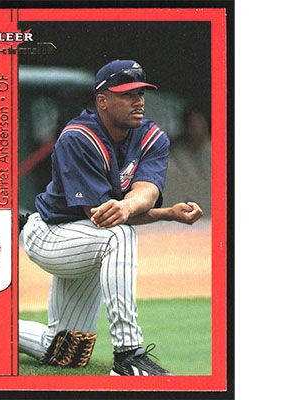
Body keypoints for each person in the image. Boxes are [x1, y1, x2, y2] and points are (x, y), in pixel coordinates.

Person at [18, 60, 203, 376]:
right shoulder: (78, 137)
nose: (138, 101)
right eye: (127, 94)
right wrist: (163, 215)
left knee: (66, 351)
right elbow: (102, 217)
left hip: (89, 241)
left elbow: (145, 192)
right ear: (102, 101)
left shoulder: (152, 136)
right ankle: (128, 355)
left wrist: (145, 209)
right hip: (51, 234)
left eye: (141, 93)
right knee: (120, 236)